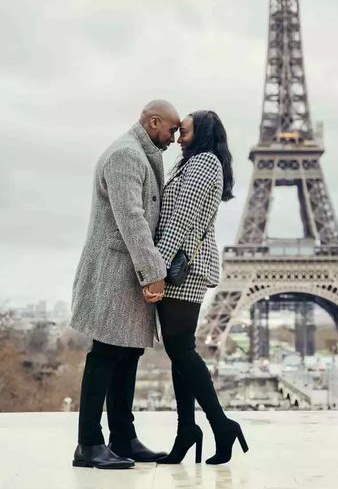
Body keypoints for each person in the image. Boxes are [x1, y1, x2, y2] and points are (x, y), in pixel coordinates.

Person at [70, 100, 180, 469]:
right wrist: (155, 272)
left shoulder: (141, 153)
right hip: (116, 272)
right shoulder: (126, 156)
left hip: (127, 272)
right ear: (153, 122)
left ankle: (123, 437)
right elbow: (131, 219)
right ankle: (88, 443)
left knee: (128, 354)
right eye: (171, 129)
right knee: (104, 355)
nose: (175, 137)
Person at [143, 110, 249, 465]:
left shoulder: (204, 163)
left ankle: (220, 424)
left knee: (183, 350)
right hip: (180, 265)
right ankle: (187, 429)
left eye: (184, 127)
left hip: (181, 269)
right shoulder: (195, 163)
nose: (179, 131)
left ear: (201, 131)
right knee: (178, 351)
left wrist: (153, 268)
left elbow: (180, 221)